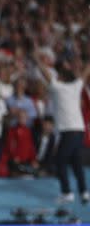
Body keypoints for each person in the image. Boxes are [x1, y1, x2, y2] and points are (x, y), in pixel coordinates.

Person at [38, 61, 90, 204]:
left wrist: (37, 60)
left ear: (62, 78)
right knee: (76, 162)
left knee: (60, 161)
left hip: (69, 131)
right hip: (79, 130)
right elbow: (86, 71)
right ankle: (84, 192)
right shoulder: (76, 86)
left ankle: (67, 193)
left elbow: (45, 73)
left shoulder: (57, 87)